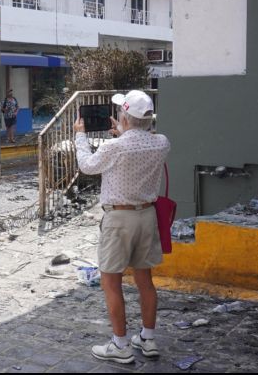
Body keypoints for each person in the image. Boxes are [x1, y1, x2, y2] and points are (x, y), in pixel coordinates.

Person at [74, 90, 170, 364]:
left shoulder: (115, 148)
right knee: (145, 281)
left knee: (110, 281)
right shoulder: (161, 143)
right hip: (147, 217)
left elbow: (87, 166)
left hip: (118, 220)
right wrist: (124, 133)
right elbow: (140, 145)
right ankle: (148, 339)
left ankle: (120, 345)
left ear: (125, 118)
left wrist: (81, 135)